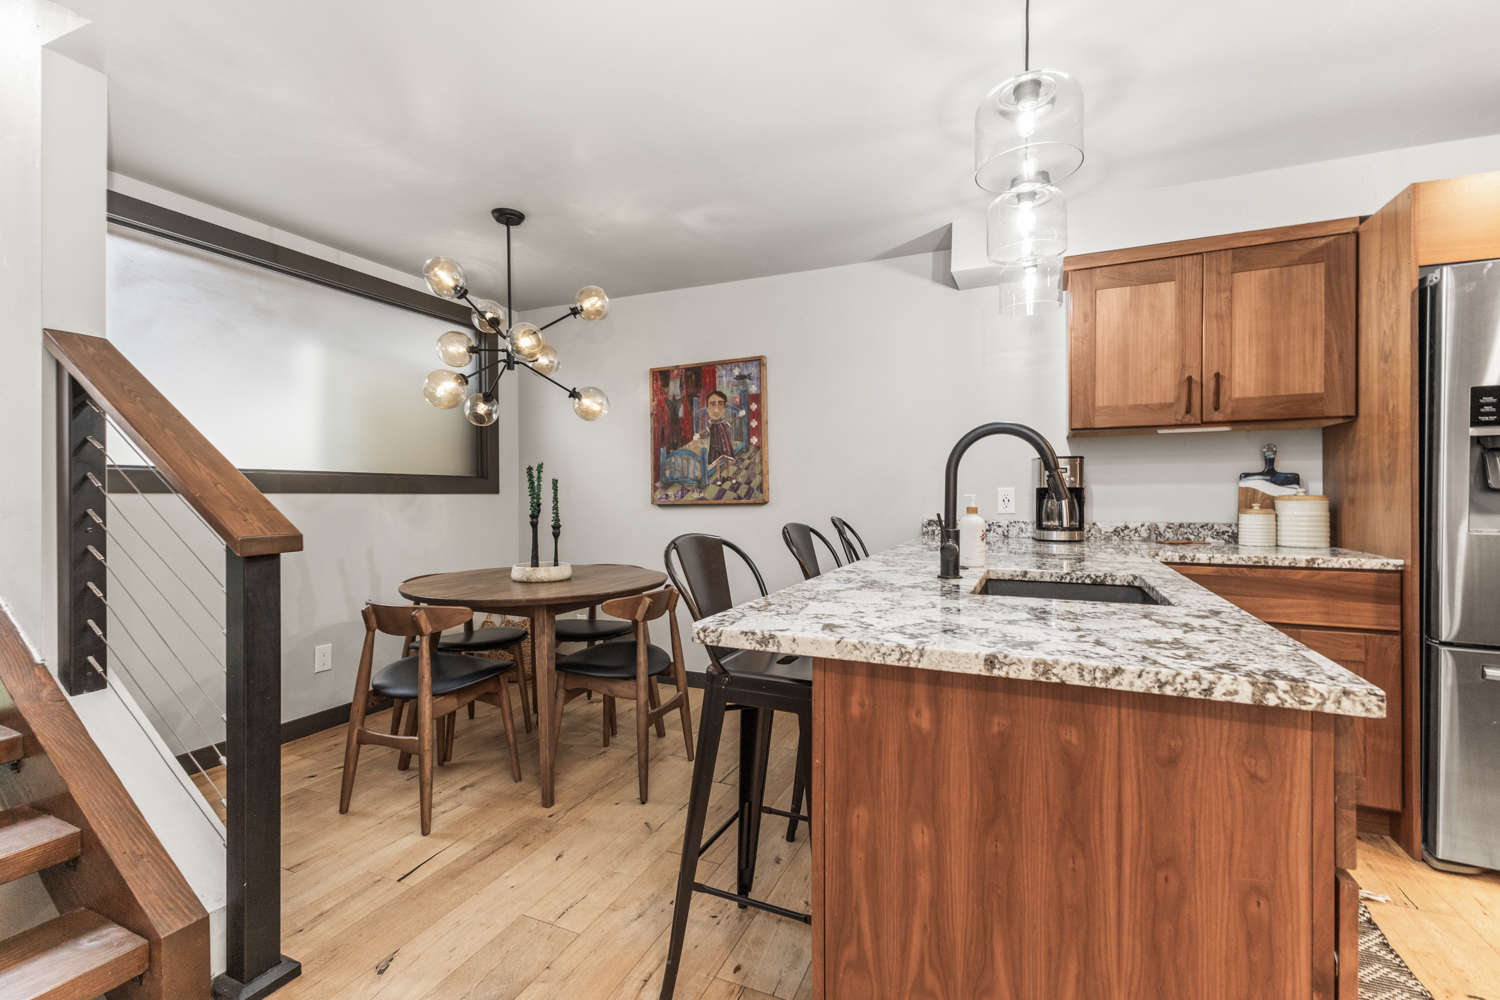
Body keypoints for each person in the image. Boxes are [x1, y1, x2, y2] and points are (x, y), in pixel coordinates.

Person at [694, 390, 736, 467]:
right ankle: (719, 477)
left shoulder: (722, 424)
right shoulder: (712, 426)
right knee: (716, 458)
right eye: (712, 404)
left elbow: (729, 424)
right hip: (714, 445)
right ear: (706, 406)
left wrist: (739, 416)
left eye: (720, 404)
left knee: (726, 457)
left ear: (725, 405)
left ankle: (727, 475)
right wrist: (698, 435)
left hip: (724, 444)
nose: (716, 410)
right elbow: (707, 430)